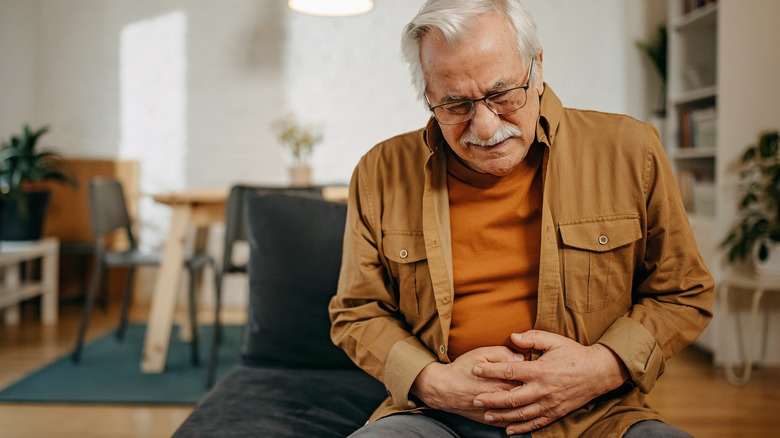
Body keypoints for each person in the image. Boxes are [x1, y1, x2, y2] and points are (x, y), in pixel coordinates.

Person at [329, 1, 714, 437]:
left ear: (538, 67)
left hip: (598, 416)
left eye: (502, 95)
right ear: (429, 97)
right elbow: (356, 312)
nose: (487, 127)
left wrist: (600, 368)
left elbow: (684, 292)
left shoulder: (631, 150)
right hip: (436, 416)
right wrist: (432, 383)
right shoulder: (379, 171)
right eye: (455, 105)